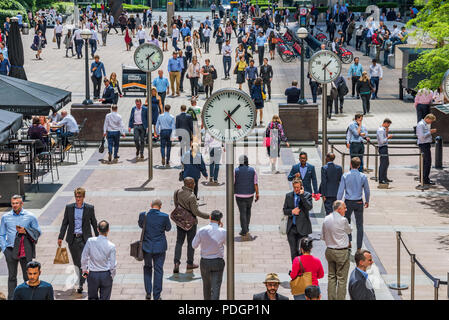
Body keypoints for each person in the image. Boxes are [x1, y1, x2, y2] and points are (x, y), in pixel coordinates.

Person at [58, 187, 99, 294]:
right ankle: (82, 280)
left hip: (85, 239)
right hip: (72, 239)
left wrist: (99, 237)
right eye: (76, 196)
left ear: (83, 197)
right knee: (77, 262)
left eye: (79, 197)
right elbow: (64, 223)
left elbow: (94, 223)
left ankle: (81, 283)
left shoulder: (89, 208)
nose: (78, 199)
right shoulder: (69, 208)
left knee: (83, 262)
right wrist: (60, 237)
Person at [0, 195, 41, 300]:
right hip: (10, 250)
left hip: (25, 250)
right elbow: (1, 234)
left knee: (27, 276)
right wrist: (4, 249)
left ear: (21, 204)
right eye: (13, 203)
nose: (14, 205)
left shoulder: (30, 216)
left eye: (17, 203)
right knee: (12, 277)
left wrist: (26, 231)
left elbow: (38, 232)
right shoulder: (5, 217)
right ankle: (12, 298)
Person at [173, 177, 210, 273]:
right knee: (190, 243)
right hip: (191, 223)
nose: (194, 185)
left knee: (179, 242)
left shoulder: (177, 192)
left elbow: (176, 205)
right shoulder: (191, 196)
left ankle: (176, 262)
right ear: (189, 184)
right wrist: (207, 216)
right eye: (193, 183)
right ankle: (190, 263)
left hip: (180, 221)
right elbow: (195, 211)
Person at [139, 199, 171, 300]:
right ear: (160, 206)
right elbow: (168, 228)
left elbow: (141, 225)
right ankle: (157, 295)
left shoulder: (143, 215)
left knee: (147, 268)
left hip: (147, 247)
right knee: (158, 270)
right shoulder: (165, 216)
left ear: (151, 205)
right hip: (160, 248)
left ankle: (148, 292)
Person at [337, 157, 370, 251]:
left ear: (350, 165)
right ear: (359, 166)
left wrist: (338, 202)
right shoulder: (363, 176)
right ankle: (359, 247)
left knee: (346, 223)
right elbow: (367, 190)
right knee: (360, 225)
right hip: (359, 201)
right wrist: (367, 200)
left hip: (348, 201)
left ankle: (349, 241)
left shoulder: (345, 175)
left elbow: (340, 190)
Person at [321, 200, 352, 300]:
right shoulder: (343, 220)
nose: (346, 210)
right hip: (341, 252)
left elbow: (323, 236)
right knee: (342, 280)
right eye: (344, 208)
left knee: (331, 277)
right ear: (339, 210)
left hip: (330, 251)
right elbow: (349, 230)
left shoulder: (326, 219)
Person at [192, 210, 226, 300]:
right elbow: (228, 244)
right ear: (220, 220)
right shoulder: (223, 231)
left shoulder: (202, 230)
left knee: (206, 286)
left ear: (210, 218)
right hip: (218, 261)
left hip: (205, 261)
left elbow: (194, 245)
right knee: (216, 287)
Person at [81, 220, 116, 300]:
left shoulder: (90, 241)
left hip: (92, 274)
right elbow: (113, 265)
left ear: (97, 229)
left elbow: (84, 258)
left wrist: (84, 272)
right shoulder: (111, 246)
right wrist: (111, 276)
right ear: (108, 230)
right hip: (106, 274)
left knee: (92, 298)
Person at [283, 178, 313, 261]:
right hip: (292, 228)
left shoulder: (307, 195)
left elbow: (309, 207)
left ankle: (302, 271)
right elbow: (285, 210)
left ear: (301, 187)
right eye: (295, 187)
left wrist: (302, 196)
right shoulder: (289, 196)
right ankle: (295, 270)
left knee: (302, 252)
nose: (296, 189)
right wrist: (292, 211)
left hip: (303, 228)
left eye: (298, 187)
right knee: (293, 252)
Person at [234, 155, 259, 240]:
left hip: (239, 195)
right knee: (248, 211)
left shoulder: (236, 171)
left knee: (242, 212)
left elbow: (233, 182)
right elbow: (255, 183)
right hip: (250, 195)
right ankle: (246, 228)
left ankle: (244, 230)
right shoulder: (253, 170)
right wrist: (257, 194)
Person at [416, 114, 437, 185]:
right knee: (427, 162)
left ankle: (425, 178)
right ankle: (425, 179)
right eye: (431, 121)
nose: (430, 123)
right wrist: (430, 132)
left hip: (426, 144)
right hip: (424, 144)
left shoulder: (423, 124)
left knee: (426, 162)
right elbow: (421, 137)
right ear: (427, 118)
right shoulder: (421, 125)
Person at [377, 118, 393, 185]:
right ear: (386, 123)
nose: (388, 126)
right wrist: (388, 137)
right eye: (388, 125)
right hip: (382, 147)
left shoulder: (383, 129)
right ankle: (381, 179)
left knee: (386, 163)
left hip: (384, 147)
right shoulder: (380, 130)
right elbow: (382, 141)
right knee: (383, 163)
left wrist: (387, 132)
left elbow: (384, 138)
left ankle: (385, 177)